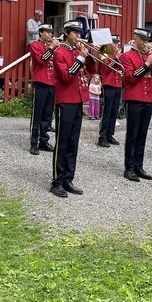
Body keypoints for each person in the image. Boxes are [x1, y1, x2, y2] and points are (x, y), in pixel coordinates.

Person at [50, 20, 93, 198]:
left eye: (80, 33)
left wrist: (88, 55)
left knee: (73, 143)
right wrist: (81, 58)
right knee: (62, 142)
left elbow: (92, 69)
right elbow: (67, 77)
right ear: (67, 33)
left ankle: (68, 178)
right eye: (75, 33)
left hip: (77, 100)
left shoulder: (77, 52)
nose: (78, 36)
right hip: (65, 101)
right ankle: (57, 181)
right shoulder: (59, 52)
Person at [120, 28, 152, 181]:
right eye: (142, 39)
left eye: (146, 40)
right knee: (132, 134)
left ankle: (139, 166)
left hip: (148, 98)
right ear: (135, 37)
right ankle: (129, 168)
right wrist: (147, 63)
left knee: (142, 134)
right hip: (135, 98)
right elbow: (131, 77)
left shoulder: (147, 56)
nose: (145, 43)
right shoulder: (127, 56)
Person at [29, 23, 59, 155]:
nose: (50, 34)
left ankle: (43, 140)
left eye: (51, 32)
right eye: (47, 32)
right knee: (37, 114)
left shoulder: (52, 47)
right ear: (41, 33)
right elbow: (41, 60)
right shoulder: (35, 45)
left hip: (52, 83)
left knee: (47, 114)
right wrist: (52, 48)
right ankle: (34, 142)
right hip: (40, 82)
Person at [98, 34, 123, 147]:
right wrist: (117, 58)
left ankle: (110, 134)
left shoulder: (118, 54)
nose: (116, 45)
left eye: (117, 43)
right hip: (109, 84)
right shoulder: (104, 53)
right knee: (107, 111)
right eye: (114, 42)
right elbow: (106, 68)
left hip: (118, 84)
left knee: (114, 111)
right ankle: (102, 136)